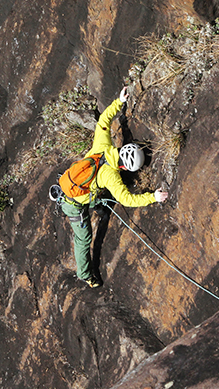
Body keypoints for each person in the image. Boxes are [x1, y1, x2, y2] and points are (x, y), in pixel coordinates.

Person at [60, 87, 169, 288]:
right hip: (73, 203)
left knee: (100, 198)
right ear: (125, 167)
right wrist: (153, 197)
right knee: (84, 240)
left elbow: (103, 122)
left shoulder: (103, 146)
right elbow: (127, 199)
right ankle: (85, 275)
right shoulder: (111, 176)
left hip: (74, 184)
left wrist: (119, 101)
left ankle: (98, 205)